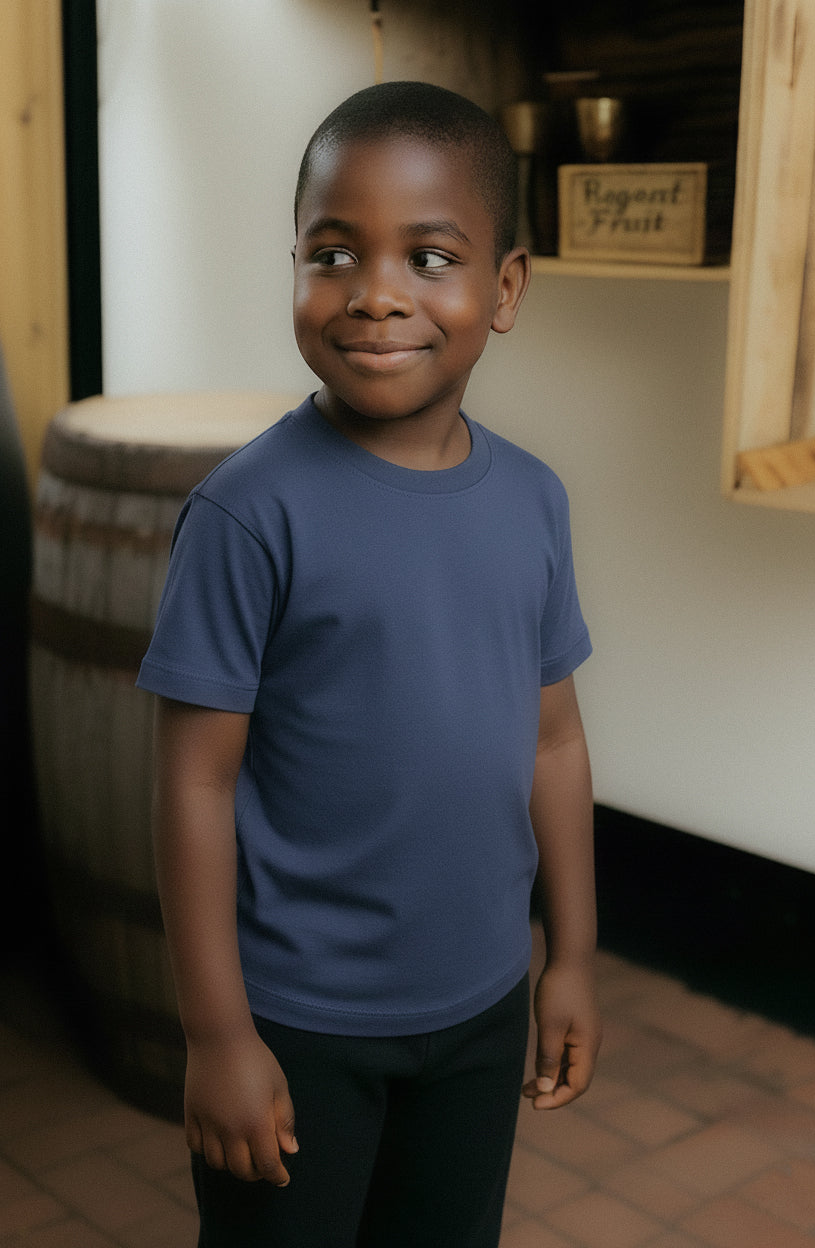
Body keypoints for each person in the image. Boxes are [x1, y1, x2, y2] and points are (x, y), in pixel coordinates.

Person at [138, 80, 601, 1248]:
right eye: (332, 252)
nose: (376, 293)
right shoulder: (247, 514)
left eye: (429, 256)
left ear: (504, 290)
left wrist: (572, 959)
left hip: (483, 1007)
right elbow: (193, 782)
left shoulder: (535, 501)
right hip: (298, 1024)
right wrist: (217, 1036)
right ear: (293, 266)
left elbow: (552, 738)